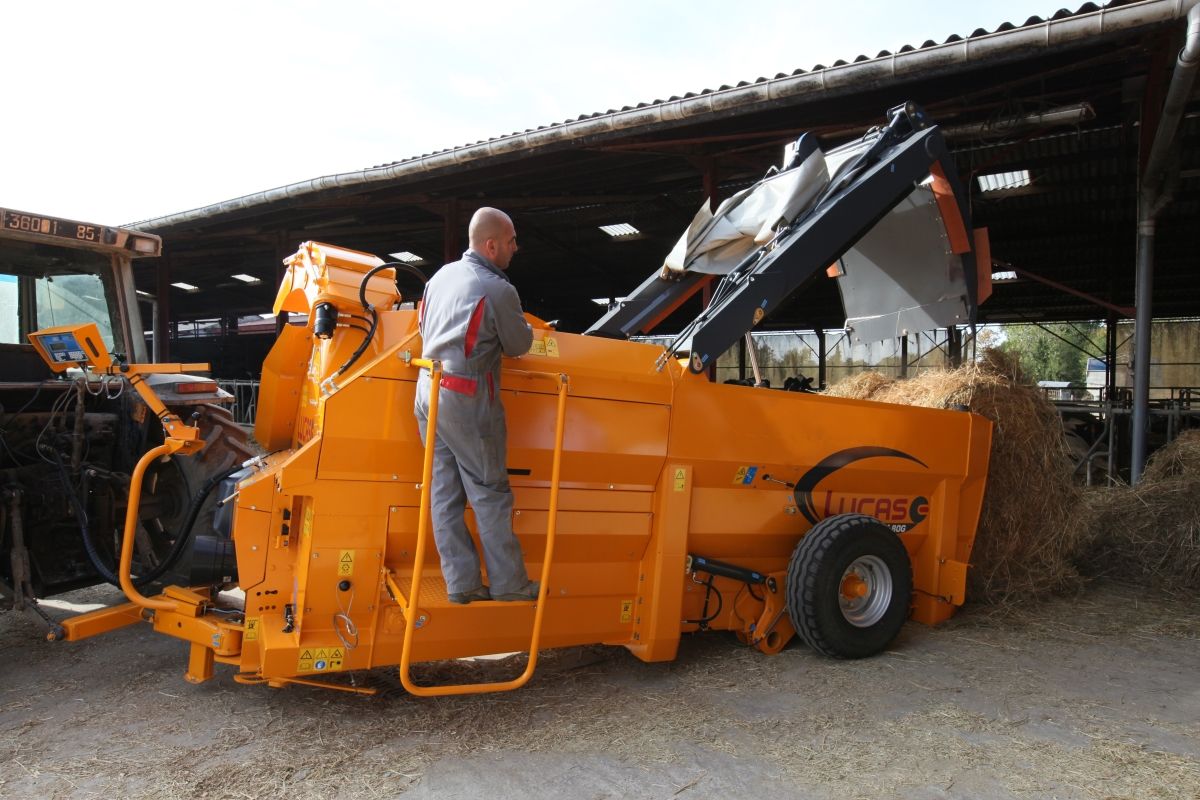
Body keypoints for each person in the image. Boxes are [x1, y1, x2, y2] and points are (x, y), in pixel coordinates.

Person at [413, 207, 538, 604]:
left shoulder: (440, 277)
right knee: (489, 491)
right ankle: (510, 584)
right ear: (491, 245)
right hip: (466, 398)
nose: (516, 248)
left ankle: (463, 584)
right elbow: (518, 344)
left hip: (428, 390)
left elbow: (422, 327)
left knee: (444, 490)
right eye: (511, 241)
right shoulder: (497, 289)